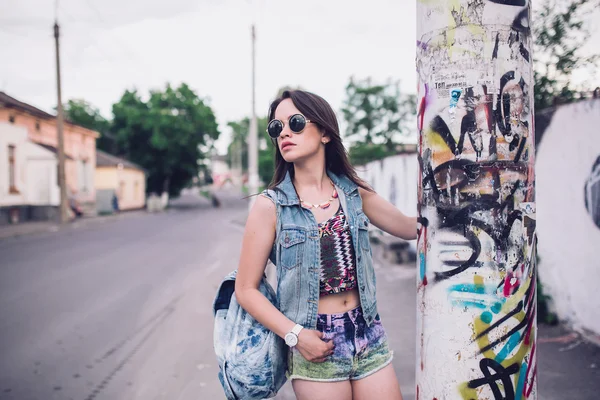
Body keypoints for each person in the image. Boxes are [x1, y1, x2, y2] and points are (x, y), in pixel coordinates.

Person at [235, 90, 417, 400]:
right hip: (315, 341)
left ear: (324, 133)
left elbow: (409, 228)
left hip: (367, 333)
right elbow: (246, 289)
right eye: (276, 128)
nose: (284, 134)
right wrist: (296, 336)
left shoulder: (353, 193)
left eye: (295, 122)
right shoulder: (271, 207)